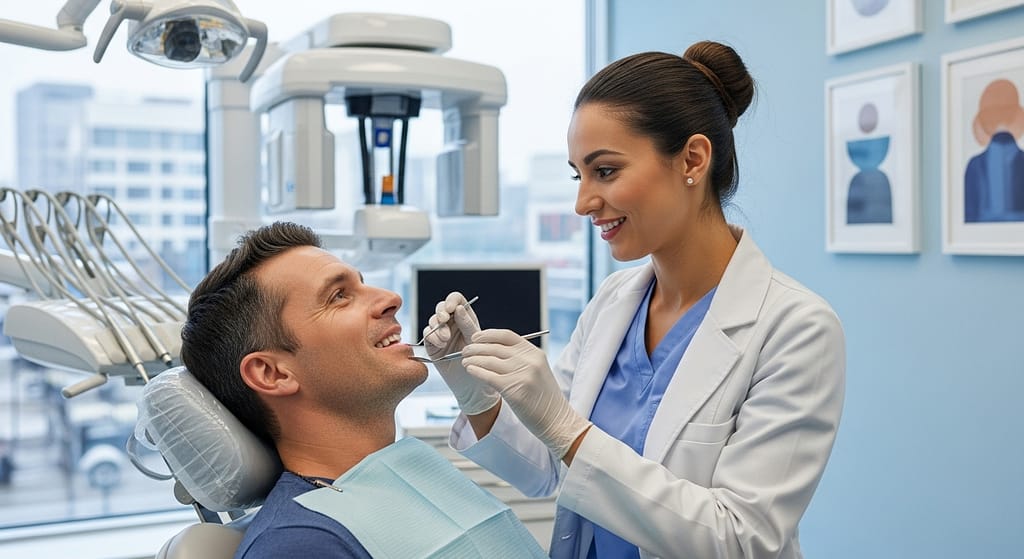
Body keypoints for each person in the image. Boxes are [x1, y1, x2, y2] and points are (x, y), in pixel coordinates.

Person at [424, 41, 846, 558]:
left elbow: (741, 538)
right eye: (578, 175)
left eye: (605, 171)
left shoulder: (796, 328)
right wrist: (475, 393)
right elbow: (546, 469)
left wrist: (567, 429)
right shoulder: (614, 301)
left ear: (693, 159)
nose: (583, 203)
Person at [179, 221, 545, 559]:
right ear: (272, 373)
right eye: (339, 296)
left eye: (362, 283)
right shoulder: (299, 543)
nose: (390, 298)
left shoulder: (410, 470)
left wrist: (482, 402)